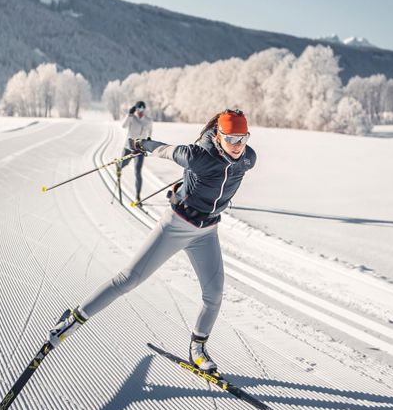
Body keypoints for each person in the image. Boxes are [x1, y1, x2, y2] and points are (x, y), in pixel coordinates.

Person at [50, 109, 255, 373]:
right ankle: (74, 319)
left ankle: (197, 349)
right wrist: (140, 145)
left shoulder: (248, 158)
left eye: (243, 138)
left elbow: (225, 177)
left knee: (214, 294)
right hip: (177, 226)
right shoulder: (198, 156)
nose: (238, 145)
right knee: (129, 279)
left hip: (207, 232)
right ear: (218, 135)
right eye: (232, 138)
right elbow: (166, 150)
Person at [120, 100, 153, 202]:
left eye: (143, 109)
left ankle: (137, 196)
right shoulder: (132, 118)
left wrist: (148, 141)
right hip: (129, 147)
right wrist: (129, 114)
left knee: (138, 172)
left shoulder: (148, 120)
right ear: (136, 109)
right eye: (139, 109)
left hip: (140, 149)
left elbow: (150, 133)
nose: (140, 111)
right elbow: (123, 126)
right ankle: (118, 172)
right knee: (122, 165)